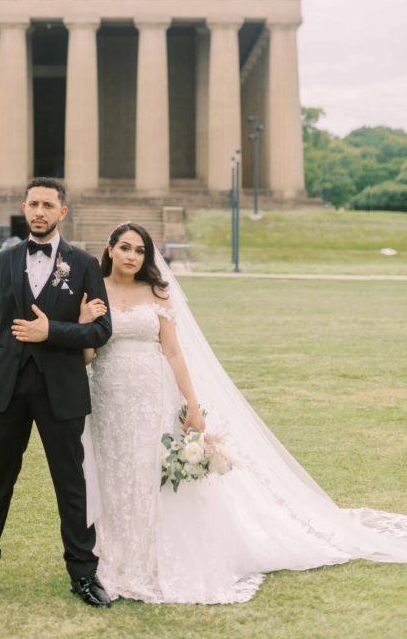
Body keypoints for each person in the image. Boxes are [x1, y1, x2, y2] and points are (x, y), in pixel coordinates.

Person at [80, 222, 407, 604]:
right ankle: (114, 558)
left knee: (146, 471)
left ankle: (150, 559)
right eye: (124, 248)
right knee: (112, 472)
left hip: (150, 396)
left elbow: (172, 352)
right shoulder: (92, 290)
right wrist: (85, 322)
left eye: (139, 250)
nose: (132, 256)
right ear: (110, 249)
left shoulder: (157, 293)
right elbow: (87, 354)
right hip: (106, 397)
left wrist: (193, 406)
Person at [0, 178, 113, 607]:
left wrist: (50, 331)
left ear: (63, 212)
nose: (39, 211)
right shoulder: (3, 262)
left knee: (70, 486)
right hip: (5, 391)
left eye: (48, 205)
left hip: (61, 389)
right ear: (24, 208)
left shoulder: (84, 264)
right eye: (33, 204)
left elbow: (101, 329)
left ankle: (83, 574)